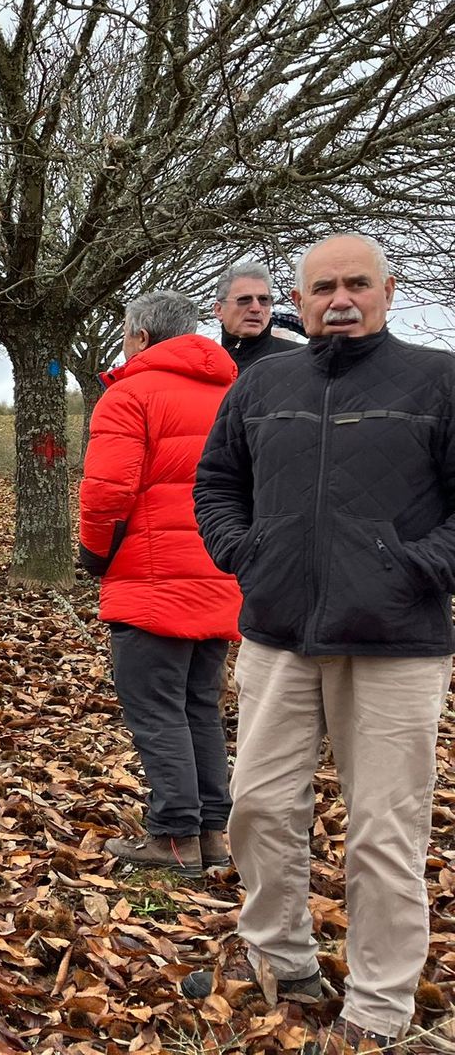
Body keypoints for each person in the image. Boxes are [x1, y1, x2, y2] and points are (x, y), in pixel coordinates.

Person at [189, 234, 455, 1049]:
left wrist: (411, 569)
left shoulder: (440, 381)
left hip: (396, 641)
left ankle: (379, 1005)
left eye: (358, 285)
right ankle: (277, 955)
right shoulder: (264, 382)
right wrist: (246, 552)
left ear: (388, 289)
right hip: (278, 634)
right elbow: (217, 482)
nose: (341, 300)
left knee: (384, 829)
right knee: (261, 806)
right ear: (298, 302)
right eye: (323, 288)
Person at [78, 291, 241, 878]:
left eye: (125, 334)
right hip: (220, 574)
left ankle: (173, 835)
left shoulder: (128, 396)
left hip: (151, 579)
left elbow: (106, 493)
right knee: (200, 705)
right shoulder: (233, 393)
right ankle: (212, 832)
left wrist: (96, 557)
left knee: (156, 708)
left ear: (141, 337)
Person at [213, 260, 306, 373]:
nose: (256, 308)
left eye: (264, 300)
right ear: (219, 310)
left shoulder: (302, 361)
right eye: (244, 300)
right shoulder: (203, 365)